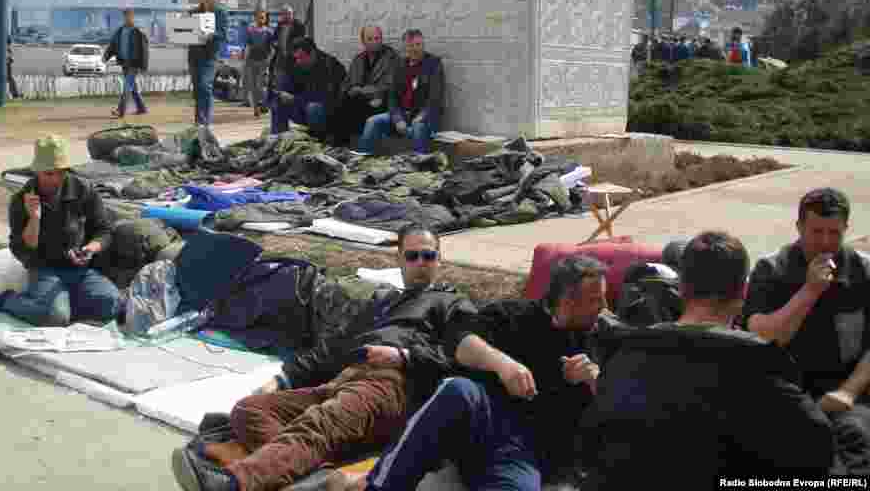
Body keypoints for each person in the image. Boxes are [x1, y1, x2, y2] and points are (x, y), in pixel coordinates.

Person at [170, 224, 477, 491]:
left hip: (392, 386)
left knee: (316, 425)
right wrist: (281, 379)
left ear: (440, 259)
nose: (421, 263)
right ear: (399, 260)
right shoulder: (383, 302)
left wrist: (405, 356)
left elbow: (462, 359)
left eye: (429, 255)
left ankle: (234, 482)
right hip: (343, 381)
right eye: (413, 256)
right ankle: (319, 479)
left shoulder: (453, 305)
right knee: (248, 410)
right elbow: (333, 349)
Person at [580, 231, 834, 490]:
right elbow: (818, 454)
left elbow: (591, 448)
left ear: (681, 288)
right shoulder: (759, 370)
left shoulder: (622, 360)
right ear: (742, 291)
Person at [359, 255, 608, 491]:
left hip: (523, 454)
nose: (604, 306)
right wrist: (503, 364)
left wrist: (593, 379)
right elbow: (458, 341)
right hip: (480, 423)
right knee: (457, 389)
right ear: (568, 301)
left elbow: (615, 408)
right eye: (596, 299)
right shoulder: (513, 315)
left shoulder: (598, 339)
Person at [742, 188, 870, 473]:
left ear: (846, 229)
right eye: (816, 232)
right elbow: (760, 337)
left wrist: (848, 392)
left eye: (834, 233)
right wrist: (809, 291)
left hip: (847, 393)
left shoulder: (863, 271)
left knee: (855, 438)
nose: (826, 242)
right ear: (799, 227)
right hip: (785, 392)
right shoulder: (772, 269)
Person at [0, 135, 120, 326]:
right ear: (37, 171)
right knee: (55, 317)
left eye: (61, 172)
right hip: (44, 270)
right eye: (49, 174)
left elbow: (104, 230)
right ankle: (8, 301)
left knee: (112, 304)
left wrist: (90, 249)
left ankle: (62, 300)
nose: (56, 179)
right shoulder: (21, 199)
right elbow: (22, 248)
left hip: (79, 269)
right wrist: (34, 217)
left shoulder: (83, 190)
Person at [357, 30, 444, 156]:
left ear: (423, 44)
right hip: (402, 115)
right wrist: (397, 119)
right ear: (405, 47)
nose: (415, 49)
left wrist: (421, 116)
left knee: (418, 127)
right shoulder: (399, 65)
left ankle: (420, 165)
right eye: (410, 45)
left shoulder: (434, 64)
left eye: (418, 44)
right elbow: (392, 98)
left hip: (425, 117)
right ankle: (362, 159)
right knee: (373, 121)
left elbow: (435, 98)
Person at [329, 26, 400, 146]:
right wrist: (350, 90)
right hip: (359, 102)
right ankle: (340, 148)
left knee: (347, 108)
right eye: (370, 39)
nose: (374, 42)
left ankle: (340, 147)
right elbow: (346, 83)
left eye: (377, 38)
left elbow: (390, 85)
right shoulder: (359, 59)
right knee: (339, 104)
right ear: (363, 41)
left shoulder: (392, 58)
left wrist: (362, 90)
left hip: (381, 102)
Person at [269, 38, 346, 138]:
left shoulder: (330, 66)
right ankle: (278, 139)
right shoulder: (296, 63)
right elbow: (287, 86)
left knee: (313, 107)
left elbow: (326, 98)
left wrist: (294, 99)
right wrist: (280, 92)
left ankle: (318, 142)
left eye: (301, 57)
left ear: (313, 53)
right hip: (303, 104)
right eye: (296, 58)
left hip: (328, 112)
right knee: (278, 102)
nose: (298, 61)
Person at [187, 0, 228, 126]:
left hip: (209, 57)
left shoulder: (220, 13)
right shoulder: (193, 12)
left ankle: (205, 121)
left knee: (205, 86)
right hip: (193, 55)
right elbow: (185, 30)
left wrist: (212, 34)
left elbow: (223, 34)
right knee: (198, 90)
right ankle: (199, 121)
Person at [104, 8, 150, 118]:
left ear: (133, 17)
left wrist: (144, 66)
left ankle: (120, 110)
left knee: (127, 87)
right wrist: (105, 57)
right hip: (124, 63)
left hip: (134, 64)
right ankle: (141, 107)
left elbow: (144, 50)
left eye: (129, 16)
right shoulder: (120, 30)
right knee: (132, 87)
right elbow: (113, 45)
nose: (127, 18)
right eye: (125, 16)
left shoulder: (138, 31)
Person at [267, 5, 306, 101]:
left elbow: (301, 41)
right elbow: (274, 38)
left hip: (293, 57)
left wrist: (293, 50)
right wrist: (274, 43)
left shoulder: (299, 25)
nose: (287, 16)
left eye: (289, 14)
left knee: (291, 78)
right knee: (275, 76)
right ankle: (273, 98)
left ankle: (291, 98)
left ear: (292, 14)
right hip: (280, 55)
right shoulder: (280, 25)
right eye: (284, 14)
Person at [242, 10, 274, 118]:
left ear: (265, 19)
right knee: (253, 86)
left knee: (260, 86)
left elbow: (272, 49)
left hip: (263, 62)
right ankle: (256, 109)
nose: (261, 19)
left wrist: (269, 61)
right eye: (259, 17)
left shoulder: (269, 32)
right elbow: (247, 45)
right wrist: (245, 58)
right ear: (255, 18)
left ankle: (264, 104)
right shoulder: (251, 31)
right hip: (251, 61)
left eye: (263, 17)